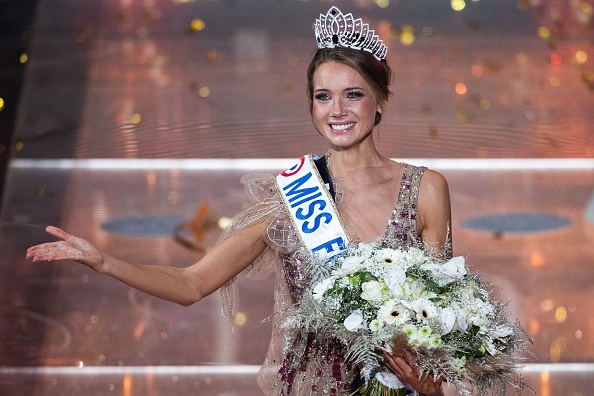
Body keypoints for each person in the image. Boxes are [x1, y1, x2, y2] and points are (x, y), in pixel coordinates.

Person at [27, 6, 450, 396]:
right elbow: (192, 283)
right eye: (323, 96)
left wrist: (430, 387)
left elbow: (447, 321)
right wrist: (103, 261)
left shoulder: (426, 189)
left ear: (380, 102)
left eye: (353, 95)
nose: (336, 110)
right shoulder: (290, 196)